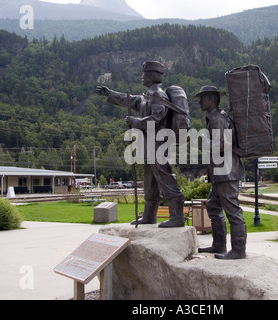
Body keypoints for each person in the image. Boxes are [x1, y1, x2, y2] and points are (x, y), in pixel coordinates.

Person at [95, 61, 185, 228]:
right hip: (149, 146)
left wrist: (135, 121)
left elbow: (157, 119)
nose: (142, 77)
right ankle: (149, 216)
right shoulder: (147, 95)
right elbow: (130, 100)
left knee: (166, 179)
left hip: (159, 145)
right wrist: (110, 93)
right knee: (150, 183)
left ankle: (177, 217)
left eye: (144, 74)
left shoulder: (159, 95)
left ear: (151, 75)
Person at [195, 86, 247, 259]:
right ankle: (219, 245)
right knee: (213, 205)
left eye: (202, 98)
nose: (200, 102)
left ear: (211, 100)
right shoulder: (214, 118)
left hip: (226, 172)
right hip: (220, 173)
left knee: (232, 211)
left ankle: (238, 250)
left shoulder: (218, 119)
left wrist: (204, 140)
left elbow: (222, 145)